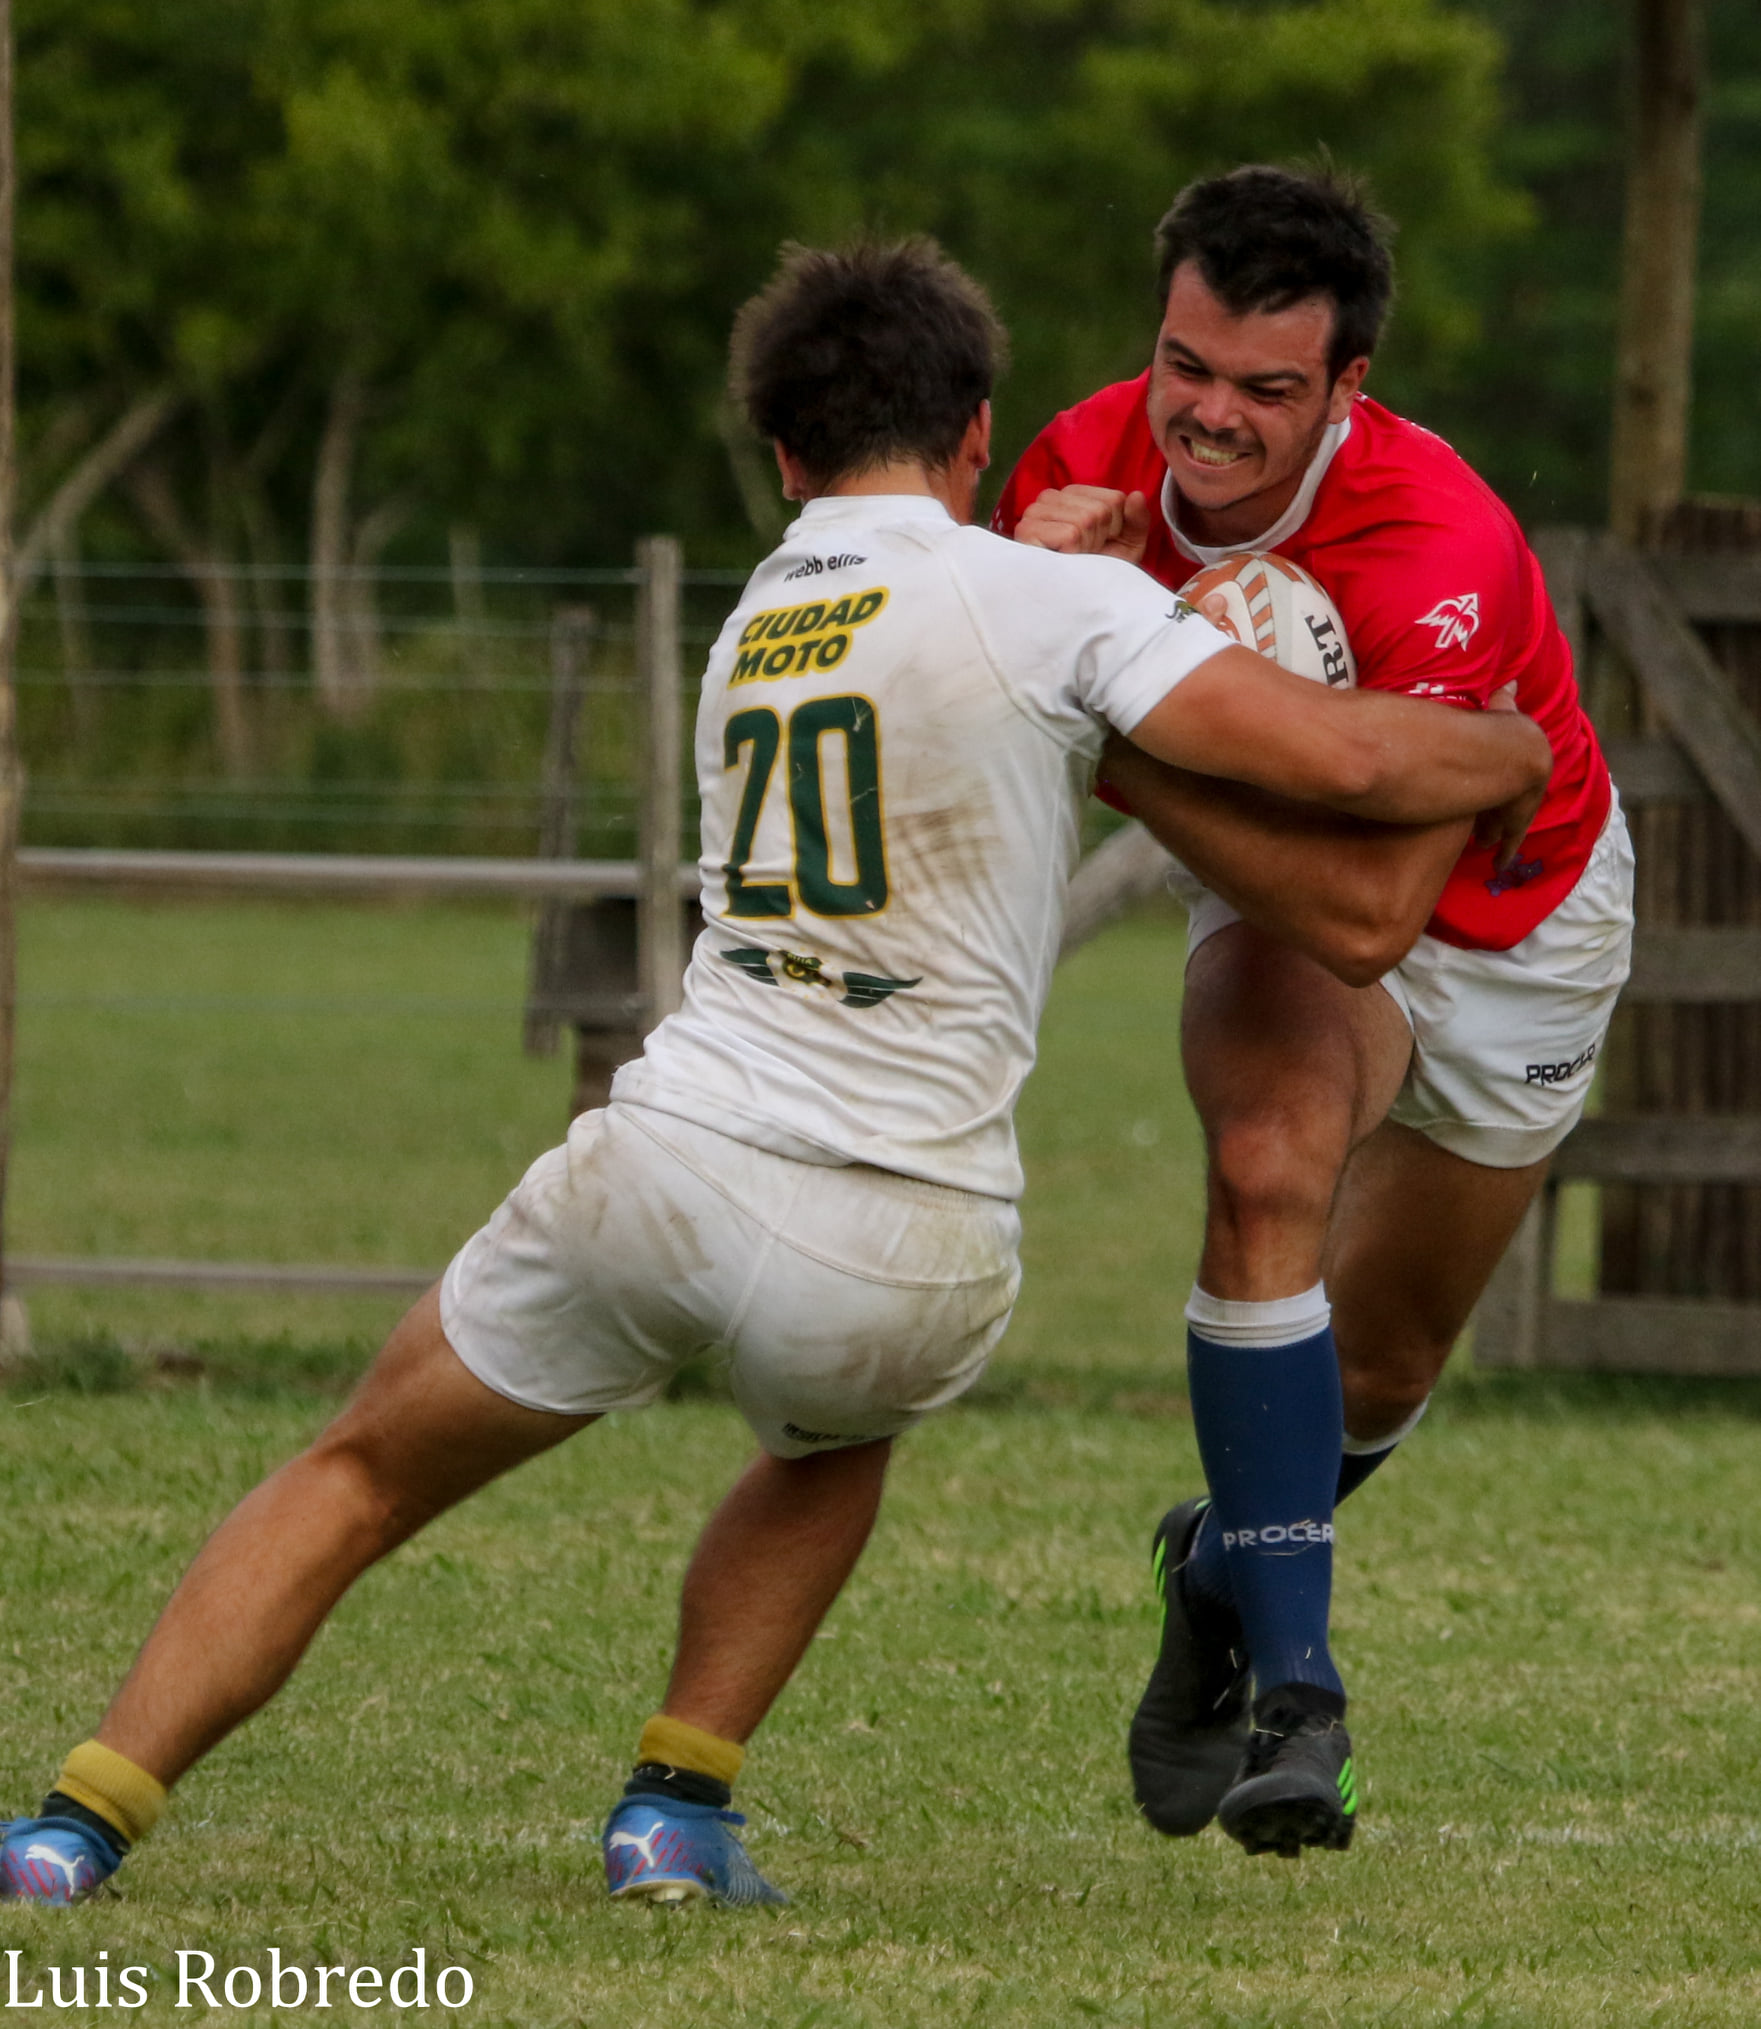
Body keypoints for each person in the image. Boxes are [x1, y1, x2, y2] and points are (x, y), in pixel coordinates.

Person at [0, 237, 1550, 1910]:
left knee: (358, 1468)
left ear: (785, 455)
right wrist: (1514, 743)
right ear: (976, 434)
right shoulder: (1053, 597)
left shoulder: (758, 618)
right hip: (903, 1232)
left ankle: (74, 1824)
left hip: (662, 1159)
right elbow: (1355, 756)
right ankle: (674, 1805)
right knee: (827, 1436)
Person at [994, 164, 1633, 1857]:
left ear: (1348, 389)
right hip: (1266, 878)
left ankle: (1214, 1569)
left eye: (1265, 390)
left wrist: (1102, 716)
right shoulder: (1073, 471)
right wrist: (1025, 599)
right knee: (1266, 1157)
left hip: (1507, 922)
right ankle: (1299, 1700)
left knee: (1390, 1358)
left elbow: (1369, 915)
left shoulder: (1434, 545)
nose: (1206, 418)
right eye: (1182, 367)